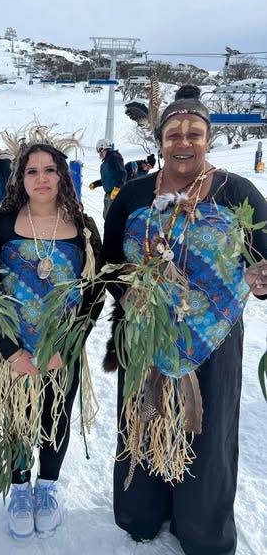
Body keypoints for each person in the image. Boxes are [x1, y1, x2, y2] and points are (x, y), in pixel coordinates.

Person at [101, 85, 267, 555]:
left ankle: (202, 529)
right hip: (145, 333)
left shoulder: (236, 191)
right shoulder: (133, 194)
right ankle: (142, 511)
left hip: (213, 339)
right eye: (174, 131)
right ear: (160, 139)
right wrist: (135, 295)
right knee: (143, 415)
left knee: (207, 428)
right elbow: (111, 262)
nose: (184, 141)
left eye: (195, 132)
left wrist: (261, 278)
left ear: (208, 138)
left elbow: (263, 255)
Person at [0, 126, 104, 540]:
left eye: (49, 170)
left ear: (62, 177)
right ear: (19, 178)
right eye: (31, 170)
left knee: (56, 416)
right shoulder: (0, 225)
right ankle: (19, 488)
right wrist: (11, 351)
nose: (41, 178)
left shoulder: (84, 226)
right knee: (17, 419)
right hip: (13, 349)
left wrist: (68, 349)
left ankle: (47, 486)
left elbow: (94, 295)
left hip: (61, 351)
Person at [88, 139, 126, 218]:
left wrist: (117, 188)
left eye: (99, 150)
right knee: (106, 216)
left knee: (113, 217)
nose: (99, 153)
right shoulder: (106, 161)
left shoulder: (114, 157)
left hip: (115, 194)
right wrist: (96, 184)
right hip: (109, 194)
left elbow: (122, 174)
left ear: (102, 148)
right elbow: (107, 179)